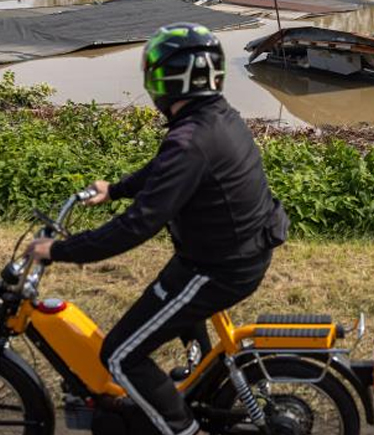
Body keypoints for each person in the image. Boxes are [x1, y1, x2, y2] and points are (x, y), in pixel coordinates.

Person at [27, 22, 289, 435]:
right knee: (167, 296)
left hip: (219, 268)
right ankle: (196, 369)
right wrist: (115, 190)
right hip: (232, 251)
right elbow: (163, 171)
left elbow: (137, 226)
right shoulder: (214, 118)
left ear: (168, 80)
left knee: (119, 353)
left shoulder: (190, 140)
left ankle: (181, 428)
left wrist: (58, 251)